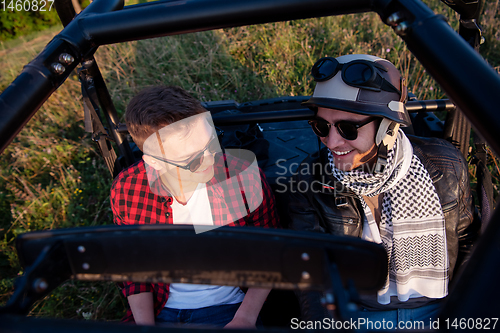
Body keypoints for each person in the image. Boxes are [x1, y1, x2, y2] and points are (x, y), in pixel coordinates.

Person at [287, 54, 480, 327]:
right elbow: (308, 269)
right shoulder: (309, 181)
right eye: (321, 126)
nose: (331, 141)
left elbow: (470, 242)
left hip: (442, 310)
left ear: (387, 126)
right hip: (357, 317)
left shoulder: (445, 167)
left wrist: (465, 314)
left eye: (347, 127)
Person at [110, 86, 280, 327]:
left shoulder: (243, 176)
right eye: (192, 159)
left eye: (212, 143)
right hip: (160, 309)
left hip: (230, 308)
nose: (210, 159)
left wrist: (245, 317)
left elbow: (272, 252)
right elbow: (134, 267)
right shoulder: (128, 189)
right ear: (154, 162)